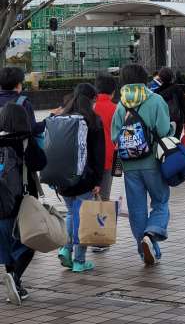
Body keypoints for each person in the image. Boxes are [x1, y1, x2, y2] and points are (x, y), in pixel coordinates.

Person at [111, 64, 171, 266]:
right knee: (160, 201)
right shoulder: (155, 100)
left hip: (129, 165)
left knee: (137, 209)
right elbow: (164, 131)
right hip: (152, 162)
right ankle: (151, 234)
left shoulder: (121, 105)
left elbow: (114, 136)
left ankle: (145, 249)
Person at [0, 103, 46, 305]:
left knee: (7, 247)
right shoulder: (25, 141)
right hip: (21, 203)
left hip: (1, 205)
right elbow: (41, 163)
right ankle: (15, 277)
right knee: (29, 243)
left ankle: (15, 285)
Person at [57, 84, 105, 273]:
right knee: (82, 217)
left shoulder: (62, 117)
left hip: (63, 177)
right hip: (84, 178)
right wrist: (98, 181)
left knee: (71, 213)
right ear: (92, 99)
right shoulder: (93, 120)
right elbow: (99, 154)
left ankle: (66, 249)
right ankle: (79, 261)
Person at [92, 73, 118, 252]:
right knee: (103, 198)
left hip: (88, 161)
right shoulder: (116, 108)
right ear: (113, 91)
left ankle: (85, 235)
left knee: (89, 198)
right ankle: (99, 240)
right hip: (107, 160)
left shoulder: (90, 106)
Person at [0, 67, 45, 136]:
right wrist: (48, 120)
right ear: (18, 85)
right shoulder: (24, 103)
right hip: (19, 142)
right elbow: (33, 129)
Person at [155, 67, 185, 138]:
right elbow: (184, 106)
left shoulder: (157, 92)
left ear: (160, 78)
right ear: (171, 77)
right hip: (177, 121)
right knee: (176, 140)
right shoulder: (177, 89)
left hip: (163, 121)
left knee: (164, 142)